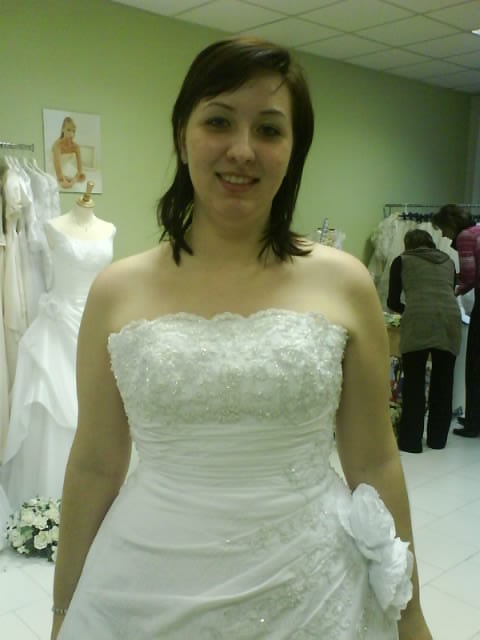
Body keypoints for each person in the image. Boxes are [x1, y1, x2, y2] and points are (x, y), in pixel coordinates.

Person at [50, 38, 432, 640]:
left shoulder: (344, 283)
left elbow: (375, 461)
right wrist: (62, 612)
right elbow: (95, 466)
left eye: (270, 130)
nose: (242, 150)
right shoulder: (116, 292)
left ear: (294, 150)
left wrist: (410, 613)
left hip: (317, 589)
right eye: (219, 121)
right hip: (143, 584)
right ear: (182, 136)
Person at [0, 184, 116, 509]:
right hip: (58, 327)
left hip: (96, 324)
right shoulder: (53, 226)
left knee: (99, 408)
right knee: (53, 406)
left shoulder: (109, 229)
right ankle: (47, 505)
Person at [387, 229, 461, 453]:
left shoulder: (402, 261)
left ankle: (411, 442)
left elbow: (392, 301)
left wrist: (409, 310)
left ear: (408, 244)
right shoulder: (448, 262)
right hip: (450, 319)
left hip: (418, 320)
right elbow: (449, 290)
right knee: (444, 382)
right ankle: (438, 440)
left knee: (414, 382)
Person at [432, 204, 480, 437]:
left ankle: (473, 423)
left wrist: (451, 288)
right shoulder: (478, 230)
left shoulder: (465, 237)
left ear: (451, 224)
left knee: (475, 364)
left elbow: (469, 276)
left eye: (443, 229)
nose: (443, 235)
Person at [52, 117, 85, 189]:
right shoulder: (57, 145)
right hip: (55, 169)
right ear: (63, 129)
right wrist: (64, 181)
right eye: (68, 130)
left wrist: (72, 182)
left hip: (66, 168)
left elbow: (80, 170)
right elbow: (58, 170)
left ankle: (67, 178)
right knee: (61, 182)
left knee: (82, 177)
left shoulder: (76, 146)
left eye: (73, 131)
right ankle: (65, 178)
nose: (71, 134)